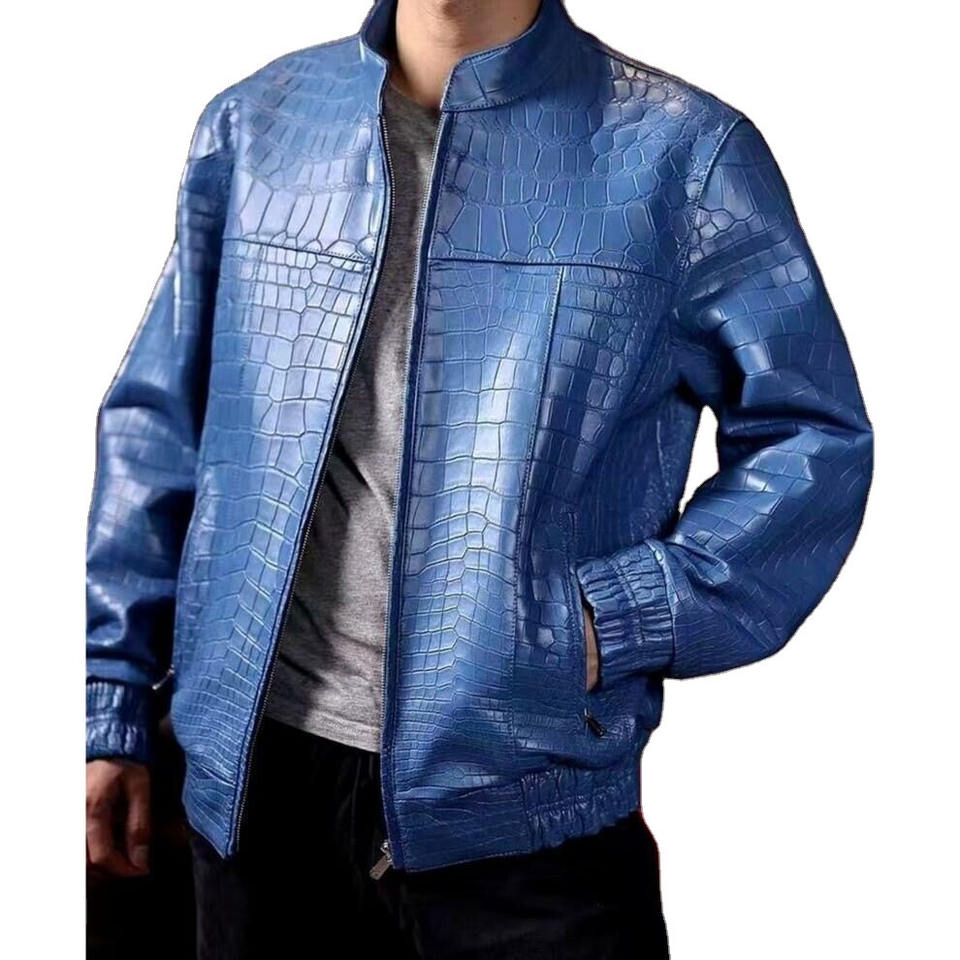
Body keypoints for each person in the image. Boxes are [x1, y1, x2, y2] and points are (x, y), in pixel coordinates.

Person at [84, 0, 874, 956]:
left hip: (527, 813)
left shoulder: (683, 155)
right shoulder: (256, 125)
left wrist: (611, 619)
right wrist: (111, 702)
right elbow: (160, 423)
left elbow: (812, 437)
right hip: (255, 795)